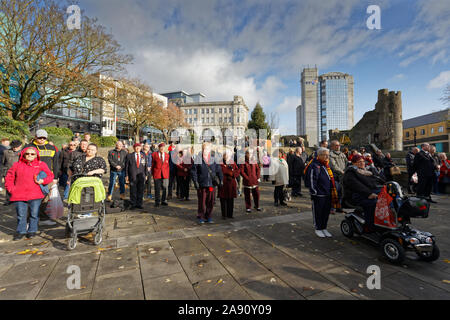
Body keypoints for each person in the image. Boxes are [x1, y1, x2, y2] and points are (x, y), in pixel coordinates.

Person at [5, 147, 54, 240]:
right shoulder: (16, 165)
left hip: (35, 194)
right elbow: (9, 177)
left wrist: (43, 181)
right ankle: (21, 231)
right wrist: (11, 189)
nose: (30, 155)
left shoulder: (41, 164)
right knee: (21, 214)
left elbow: (50, 175)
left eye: (32, 154)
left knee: (34, 214)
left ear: (36, 155)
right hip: (19, 194)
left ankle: (32, 230)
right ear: (23, 154)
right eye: (27, 154)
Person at [24, 129, 59, 226]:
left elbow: (56, 164)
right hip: (31, 177)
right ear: (35, 137)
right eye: (40, 137)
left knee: (45, 198)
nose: (42, 139)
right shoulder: (29, 147)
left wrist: (55, 177)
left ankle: (43, 218)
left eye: (44, 138)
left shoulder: (51, 148)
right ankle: (28, 221)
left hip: (47, 178)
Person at [343, 154, 385, 231]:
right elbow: (357, 186)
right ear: (354, 163)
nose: (362, 163)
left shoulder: (368, 171)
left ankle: (384, 221)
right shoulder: (351, 172)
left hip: (369, 192)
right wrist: (368, 194)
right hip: (356, 195)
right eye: (359, 162)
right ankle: (370, 225)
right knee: (374, 203)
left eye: (363, 161)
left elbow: (379, 180)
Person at [306, 148, 340, 238]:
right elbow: (312, 180)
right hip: (319, 194)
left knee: (325, 212)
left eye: (328, 155)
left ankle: (324, 227)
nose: (327, 156)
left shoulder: (326, 165)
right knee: (318, 212)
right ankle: (318, 228)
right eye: (325, 155)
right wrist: (314, 192)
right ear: (319, 155)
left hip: (328, 193)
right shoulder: (314, 165)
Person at [191, 142, 223, 224]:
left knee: (211, 201)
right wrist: (195, 182)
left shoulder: (213, 158)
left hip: (211, 184)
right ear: (202, 149)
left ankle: (209, 216)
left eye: (208, 149)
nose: (206, 150)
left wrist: (221, 179)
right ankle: (201, 216)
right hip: (202, 184)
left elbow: (219, 170)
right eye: (205, 148)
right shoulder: (198, 159)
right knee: (202, 201)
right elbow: (194, 171)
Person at [125, 143, 148, 210]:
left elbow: (146, 166)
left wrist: (146, 174)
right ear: (134, 148)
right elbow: (126, 166)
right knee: (133, 190)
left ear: (140, 148)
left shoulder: (143, 155)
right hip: (132, 175)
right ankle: (133, 204)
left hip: (141, 175)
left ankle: (139, 203)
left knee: (140, 189)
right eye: (136, 147)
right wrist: (126, 175)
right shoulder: (129, 156)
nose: (137, 148)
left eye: (139, 147)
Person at [218, 150, 240, 219]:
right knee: (223, 200)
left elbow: (237, 171)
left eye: (228, 155)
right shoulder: (220, 163)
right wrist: (230, 171)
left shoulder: (232, 162)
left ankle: (230, 214)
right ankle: (224, 215)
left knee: (231, 200)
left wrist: (232, 174)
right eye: (225, 155)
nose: (226, 156)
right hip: (223, 183)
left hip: (231, 184)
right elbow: (222, 171)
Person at [239, 149, 261, 213]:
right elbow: (242, 171)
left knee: (256, 194)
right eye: (248, 154)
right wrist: (247, 178)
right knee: (247, 195)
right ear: (246, 154)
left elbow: (258, 169)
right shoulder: (243, 161)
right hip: (247, 181)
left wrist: (257, 176)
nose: (249, 155)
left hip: (254, 180)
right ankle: (248, 207)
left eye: (250, 154)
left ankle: (257, 205)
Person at [2, 140, 22, 205]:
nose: (15, 148)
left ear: (20, 146)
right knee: (8, 186)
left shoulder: (23, 153)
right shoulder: (6, 152)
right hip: (8, 172)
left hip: (19, 172)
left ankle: (17, 199)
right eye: (13, 146)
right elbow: (3, 162)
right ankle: (8, 200)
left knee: (18, 186)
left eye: (16, 147)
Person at [329, 140, 347, 212]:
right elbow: (333, 166)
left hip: (342, 176)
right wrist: (341, 171)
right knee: (334, 192)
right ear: (332, 146)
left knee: (341, 192)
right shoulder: (330, 155)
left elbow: (346, 162)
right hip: (335, 176)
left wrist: (346, 170)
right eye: (336, 145)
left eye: (339, 145)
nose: (338, 146)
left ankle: (339, 207)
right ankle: (332, 208)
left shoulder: (342, 154)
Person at [151, 143, 170, 207]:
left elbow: (168, 165)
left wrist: (168, 173)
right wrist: (152, 173)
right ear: (159, 148)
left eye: (163, 147)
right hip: (157, 173)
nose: (162, 148)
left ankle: (164, 200)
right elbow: (152, 165)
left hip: (165, 174)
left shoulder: (167, 155)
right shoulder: (154, 154)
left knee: (165, 187)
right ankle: (157, 201)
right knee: (157, 188)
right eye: (161, 147)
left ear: (164, 148)